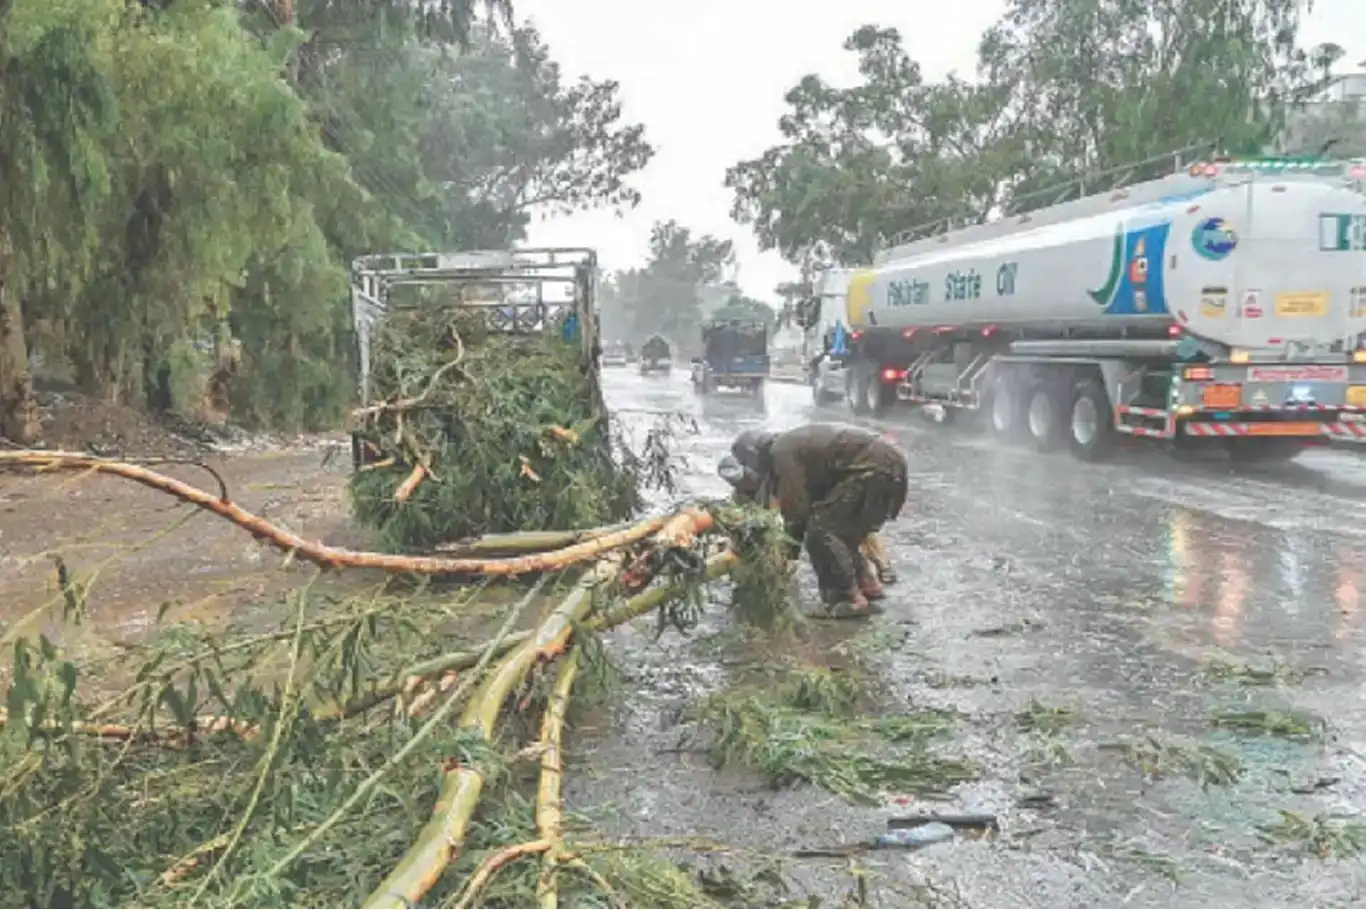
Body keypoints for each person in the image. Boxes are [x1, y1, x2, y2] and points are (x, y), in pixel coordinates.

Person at [724, 423, 908, 617]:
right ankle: (868, 585)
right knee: (844, 534)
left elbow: (796, 508)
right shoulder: (794, 448)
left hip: (874, 469)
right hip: (888, 467)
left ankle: (846, 599)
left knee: (820, 532)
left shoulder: (781, 452)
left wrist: (789, 551)